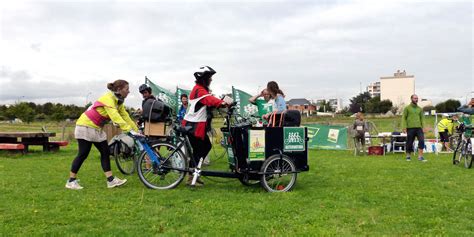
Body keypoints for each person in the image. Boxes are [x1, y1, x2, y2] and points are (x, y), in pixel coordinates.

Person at [65, 79, 139, 190]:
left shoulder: (119, 101)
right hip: (85, 126)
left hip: (96, 129)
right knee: (83, 154)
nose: (129, 91)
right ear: (119, 89)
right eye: (127, 89)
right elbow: (115, 117)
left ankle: (110, 181)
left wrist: (136, 131)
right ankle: (71, 181)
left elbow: (126, 117)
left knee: (105, 152)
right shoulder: (108, 98)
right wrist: (129, 130)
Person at [182, 66, 231, 186]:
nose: (211, 80)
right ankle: (192, 176)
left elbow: (207, 103)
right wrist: (222, 102)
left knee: (203, 148)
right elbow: (209, 100)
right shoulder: (199, 90)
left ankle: (194, 174)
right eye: (209, 77)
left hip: (194, 124)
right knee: (200, 149)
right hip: (193, 125)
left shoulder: (200, 89)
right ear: (204, 78)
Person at [401, 94, 427, 162]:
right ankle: (408, 156)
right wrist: (404, 127)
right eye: (415, 98)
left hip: (419, 128)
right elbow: (404, 118)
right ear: (411, 99)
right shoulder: (407, 108)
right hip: (410, 128)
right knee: (409, 142)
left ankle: (420, 157)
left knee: (421, 141)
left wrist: (424, 127)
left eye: (417, 98)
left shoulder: (420, 109)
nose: (416, 99)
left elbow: (422, 119)